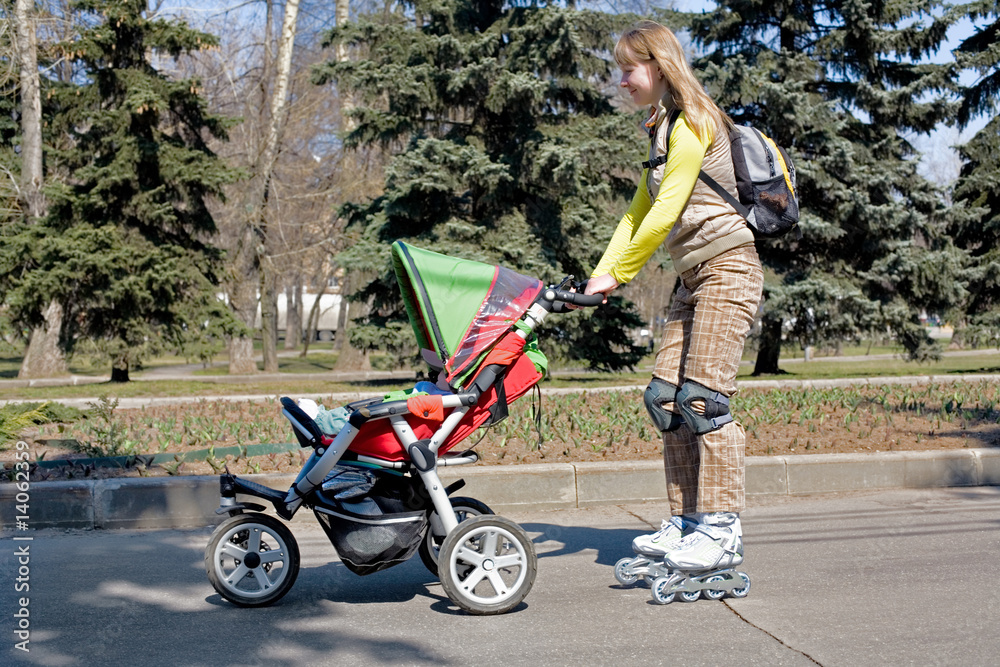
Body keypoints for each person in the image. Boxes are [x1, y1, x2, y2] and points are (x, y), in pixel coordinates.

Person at [585, 21, 763, 573]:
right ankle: (687, 523)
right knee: (666, 398)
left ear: (659, 66)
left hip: (728, 269)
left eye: (628, 70)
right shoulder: (661, 131)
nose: (621, 81)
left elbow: (666, 212)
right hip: (692, 278)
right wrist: (599, 274)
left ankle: (721, 529)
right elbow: (635, 214)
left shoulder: (695, 121)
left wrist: (621, 274)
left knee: (705, 400)